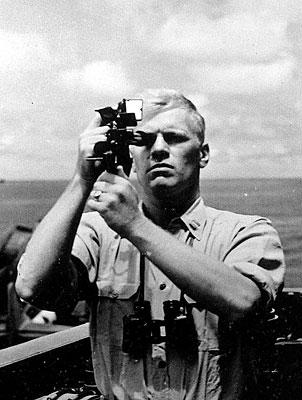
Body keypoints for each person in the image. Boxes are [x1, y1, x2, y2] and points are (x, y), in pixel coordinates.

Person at [15, 89, 285, 400]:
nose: (158, 149)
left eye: (174, 138)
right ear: (132, 156)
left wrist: (134, 225)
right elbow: (31, 288)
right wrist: (82, 179)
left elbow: (244, 301)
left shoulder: (247, 231)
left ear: (203, 154)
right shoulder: (99, 232)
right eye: (143, 141)